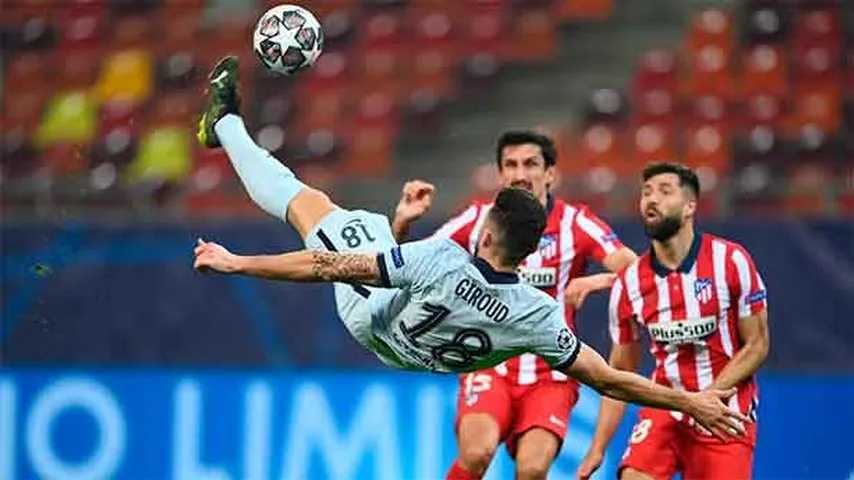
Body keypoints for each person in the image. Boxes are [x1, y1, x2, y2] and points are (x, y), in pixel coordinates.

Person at [193, 56, 748, 443]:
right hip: (418, 356)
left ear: (484, 234)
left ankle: (226, 126)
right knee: (374, 232)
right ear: (530, 257)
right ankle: (239, 134)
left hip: (372, 321)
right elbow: (607, 378)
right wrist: (689, 400)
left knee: (311, 206)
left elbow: (324, 265)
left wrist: (236, 262)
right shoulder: (538, 314)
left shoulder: (444, 258)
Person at [390, 131, 637, 480]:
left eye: (531, 164)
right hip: (489, 362)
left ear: (550, 173)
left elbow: (642, 274)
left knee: (533, 469)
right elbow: (410, 262)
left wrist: (598, 281)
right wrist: (401, 223)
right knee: (476, 454)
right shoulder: (478, 220)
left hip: (551, 372)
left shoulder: (576, 224)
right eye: (511, 165)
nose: (521, 173)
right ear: (501, 174)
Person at [576, 162, 770, 480]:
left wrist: (706, 399)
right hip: (666, 405)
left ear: (690, 206)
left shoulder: (731, 261)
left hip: (725, 410)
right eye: (646, 192)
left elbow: (757, 344)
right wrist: (597, 447)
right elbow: (620, 371)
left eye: (665, 191)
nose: (652, 199)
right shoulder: (630, 283)